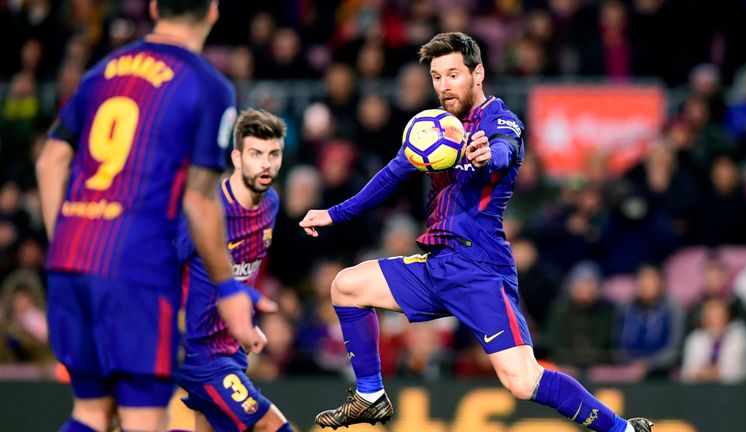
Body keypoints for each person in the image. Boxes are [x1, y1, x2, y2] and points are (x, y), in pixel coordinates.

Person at [300, 32, 653, 432]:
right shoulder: (433, 129)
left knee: (523, 380)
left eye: (453, 75)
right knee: (345, 286)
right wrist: (334, 213)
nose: (444, 86)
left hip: (478, 267)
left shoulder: (501, 121)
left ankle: (624, 429)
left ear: (477, 72)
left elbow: (502, 151)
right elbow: (390, 176)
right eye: (436, 77)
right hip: (437, 264)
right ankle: (370, 396)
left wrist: (486, 155)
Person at [35, 1, 260, 431]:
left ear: (155, 7)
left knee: (91, 413)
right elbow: (198, 199)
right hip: (134, 266)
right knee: (143, 421)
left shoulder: (102, 71)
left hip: (71, 258)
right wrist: (227, 287)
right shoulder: (207, 84)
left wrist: (62, 242)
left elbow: (49, 162)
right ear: (213, 11)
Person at [175, 109, 293, 432]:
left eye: (274, 154)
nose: (266, 164)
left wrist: (245, 322)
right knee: (272, 426)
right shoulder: (207, 213)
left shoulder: (271, 204)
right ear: (237, 158)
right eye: (256, 154)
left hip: (232, 349)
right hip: (199, 353)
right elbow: (162, 269)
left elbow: (236, 276)